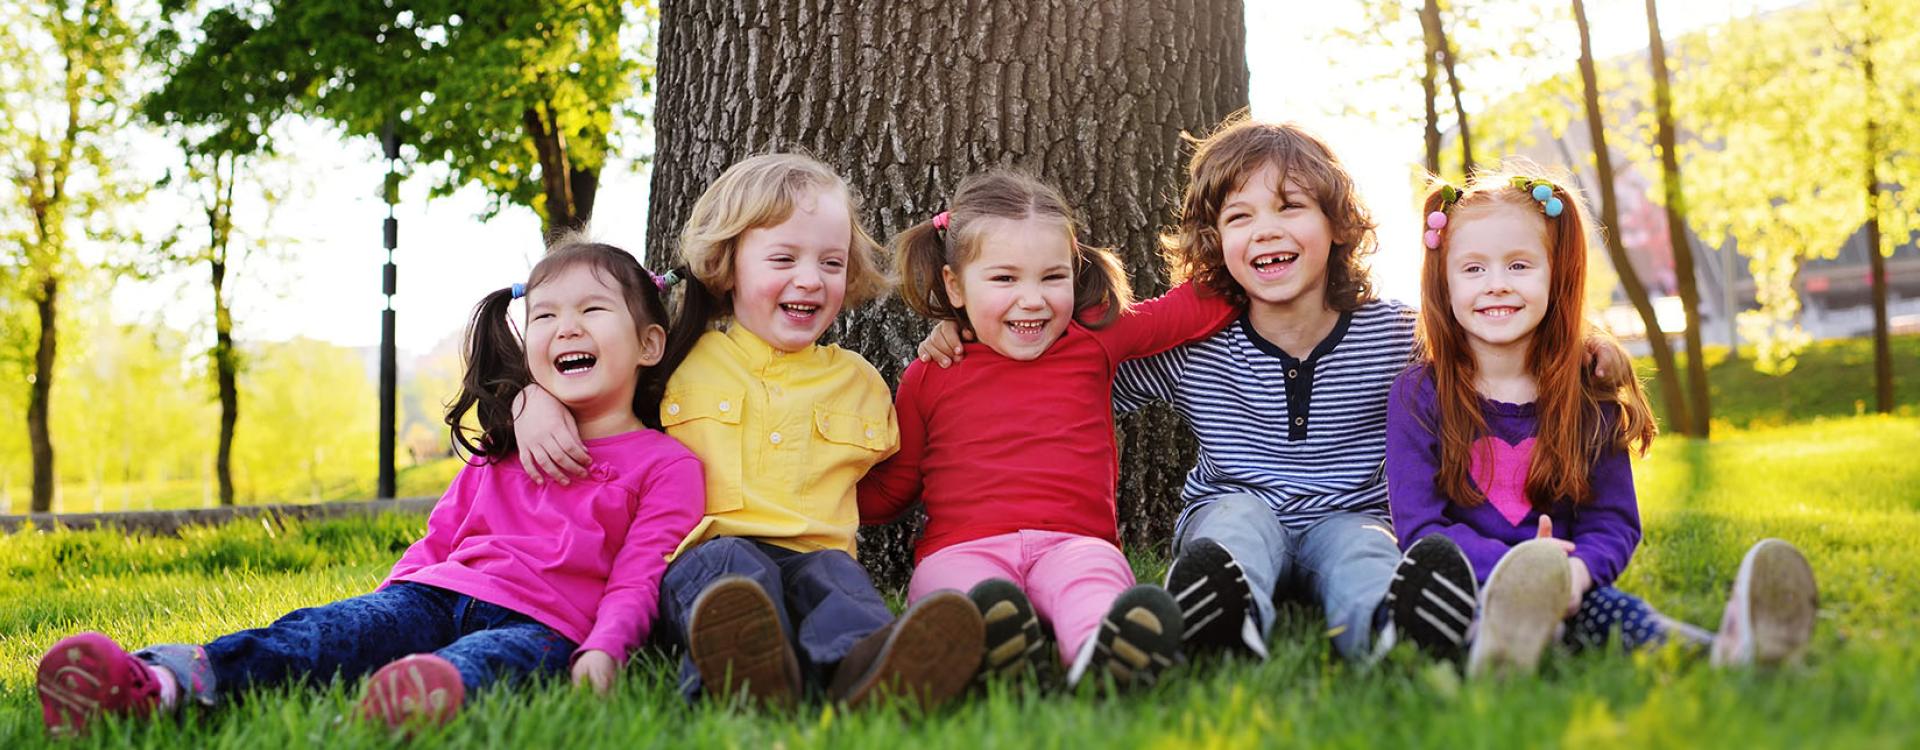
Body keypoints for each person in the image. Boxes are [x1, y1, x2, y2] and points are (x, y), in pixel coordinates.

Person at [37, 240, 706, 735]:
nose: (566, 327)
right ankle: (155, 681)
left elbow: (640, 574)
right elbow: (438, 539)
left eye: (592, 309)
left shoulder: (665, 465)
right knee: (319, 635)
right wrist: (383, 611)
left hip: (546, 624)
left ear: (650, 343)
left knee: (494, 661)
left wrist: (605, 649)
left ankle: (410, 703)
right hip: (436, 596)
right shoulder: (502, 445)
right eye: (544, 317)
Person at [514, 153, 983, 709]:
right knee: (733, 576)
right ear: (728, 265)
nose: (809, 279)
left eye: (831, 264)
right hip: (708, 556)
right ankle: (735, 678)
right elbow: (596, 395)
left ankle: (873, 674)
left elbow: (884, 489)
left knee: (840, 587)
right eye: (783, 258)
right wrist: (531, 400)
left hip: (819, 552)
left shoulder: (861, 384)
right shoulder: (683, 359)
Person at [1386, 168, 1819, 676]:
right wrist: (1520, 574)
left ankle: (1732, 653)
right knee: (1459, 622)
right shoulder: (1419, 393)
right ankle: (1498, 653)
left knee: (1625, 618)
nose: (1497, 285)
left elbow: (1612, 521)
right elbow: (1421, 526)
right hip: (1470, 590)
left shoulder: (1588, 392)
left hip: (1570, 589)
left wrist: (1573, 574)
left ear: (1556, 273)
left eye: (1520, 265)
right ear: (1444, 281)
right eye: (1473, 269)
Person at [862, 169, 1235, 689]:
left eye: (1052, 277)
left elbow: (1189, 311)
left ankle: (1105, 652)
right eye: (1004, 279)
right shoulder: (931, 373)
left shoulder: (1096, 337)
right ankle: (1000, 648)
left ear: (1074, 273)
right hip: (963, 549)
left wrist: (1252, 253)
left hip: (1075, 542)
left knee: (1093, 583)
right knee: (958, 594)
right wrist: (818, 492)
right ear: (955, 285)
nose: (1032, 299)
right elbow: (896, 485)